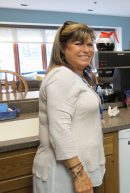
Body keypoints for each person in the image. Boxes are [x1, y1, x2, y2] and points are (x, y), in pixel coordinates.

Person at [32, 21, 105, 193]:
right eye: (78, 43)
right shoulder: (61, 76)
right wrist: (79, 175)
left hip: (75, 169)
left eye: (89, 44)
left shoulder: (77, 75)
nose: (87, 50)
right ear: (63, 48)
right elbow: (59, 131)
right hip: (63, 174)